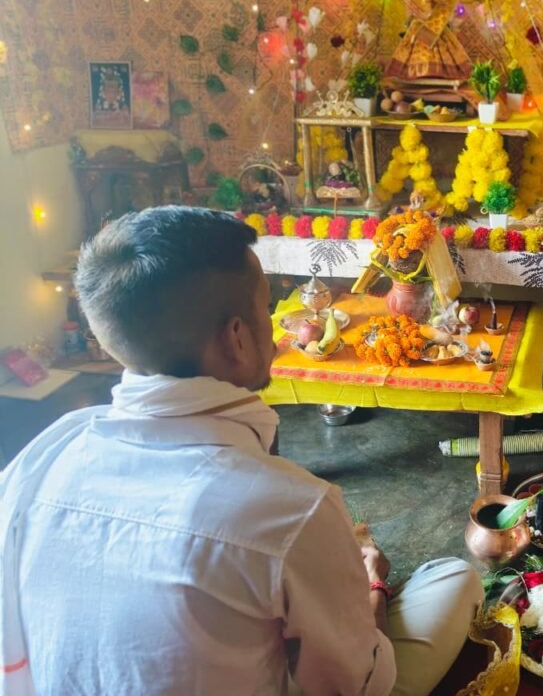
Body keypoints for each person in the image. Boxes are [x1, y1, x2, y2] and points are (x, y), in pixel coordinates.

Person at [0, 207, 482, 696]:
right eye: (265, 308)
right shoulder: (293, 508)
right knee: (455, 578)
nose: (275, 327)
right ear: (237, 338)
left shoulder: (42, 455)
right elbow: (358, 688)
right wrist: (373, 586)